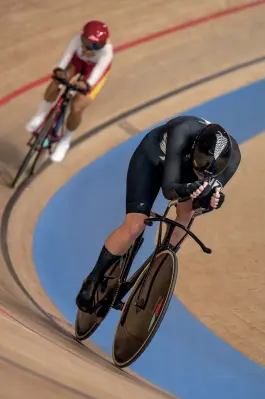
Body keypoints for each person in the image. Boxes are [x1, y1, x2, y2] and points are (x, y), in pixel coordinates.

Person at [76, 115, 241, 312]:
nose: (203, 175)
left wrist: (212, 201)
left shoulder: (233, 160)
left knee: (187, 213)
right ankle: (93, 278)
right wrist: (191, 187)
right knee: (135, 226)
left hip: (185, 171)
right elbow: (169, 190)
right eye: (201, 167)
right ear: (195, 146)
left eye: (208, 173)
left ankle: (161, 261)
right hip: (153, 160)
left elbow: (203, 202)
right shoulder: (183, 130)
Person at [26, 20, 113, 162]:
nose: (92, 48)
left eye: (97, 45)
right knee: (56, 83)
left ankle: (65, 142)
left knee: (77, 106)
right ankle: (40, 116)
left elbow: (96, 74)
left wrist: (86, 84)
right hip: (77, 62)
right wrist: (60, 72)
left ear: (103, 44)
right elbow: (65, 59)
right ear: (82, 37)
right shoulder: (76, 41)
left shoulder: (107, 52)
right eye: (89, 43)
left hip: (93, 71)